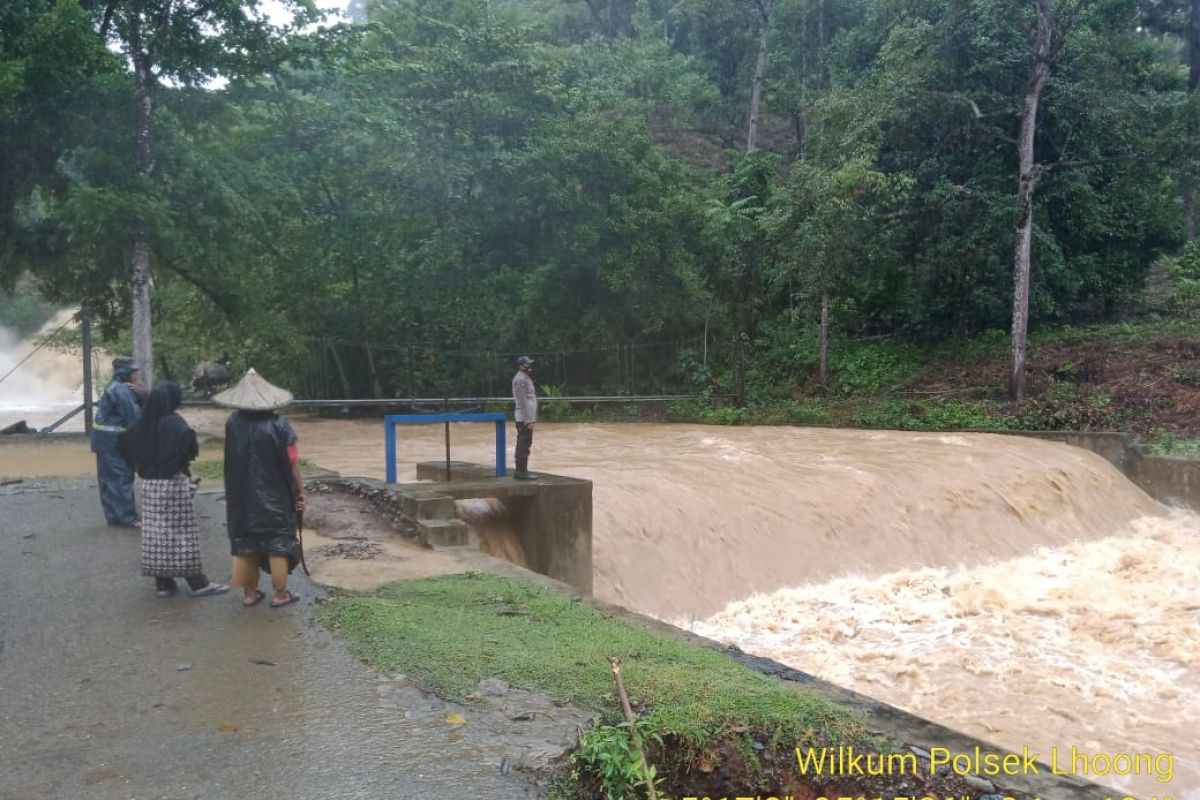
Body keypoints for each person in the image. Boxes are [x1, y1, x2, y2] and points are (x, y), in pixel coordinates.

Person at [119, 381, 227, 598]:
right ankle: (198, 583)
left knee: (156, 534)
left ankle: (164, 584)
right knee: (183, 534)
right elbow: (189, 447)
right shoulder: (175, 423)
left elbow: (123, 446)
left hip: (148, 486)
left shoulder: (142, 424)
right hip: (173, 485)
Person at [213, 368, 306, 608]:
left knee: (245, 542)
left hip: (241, 495)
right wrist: (300, 489)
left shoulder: (232, 424)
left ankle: (249, 594)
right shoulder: (279, 425)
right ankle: (280, 594)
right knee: (277, 541)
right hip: (275, 495)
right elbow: (293, 461)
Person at [91, 356, 141, 526]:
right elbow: (134, 419)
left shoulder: (112, 387)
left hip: (102, 442)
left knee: (107, 480)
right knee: (122, 477)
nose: (136, 375)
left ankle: (114, 517)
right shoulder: (121, 390)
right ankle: (127, 518)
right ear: (126, 372)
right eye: (134, 372)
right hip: (114, 443)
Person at [511, 355, 538, 480]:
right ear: (521, 366)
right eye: (527, 364)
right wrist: (528, 420)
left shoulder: (525, 377)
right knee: (523, 443)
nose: (529, 366)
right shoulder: (520, 379)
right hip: (523, 417)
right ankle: (521, 472)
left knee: (526, 443)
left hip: (526, 417)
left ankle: (523, 470)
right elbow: (523, 401)